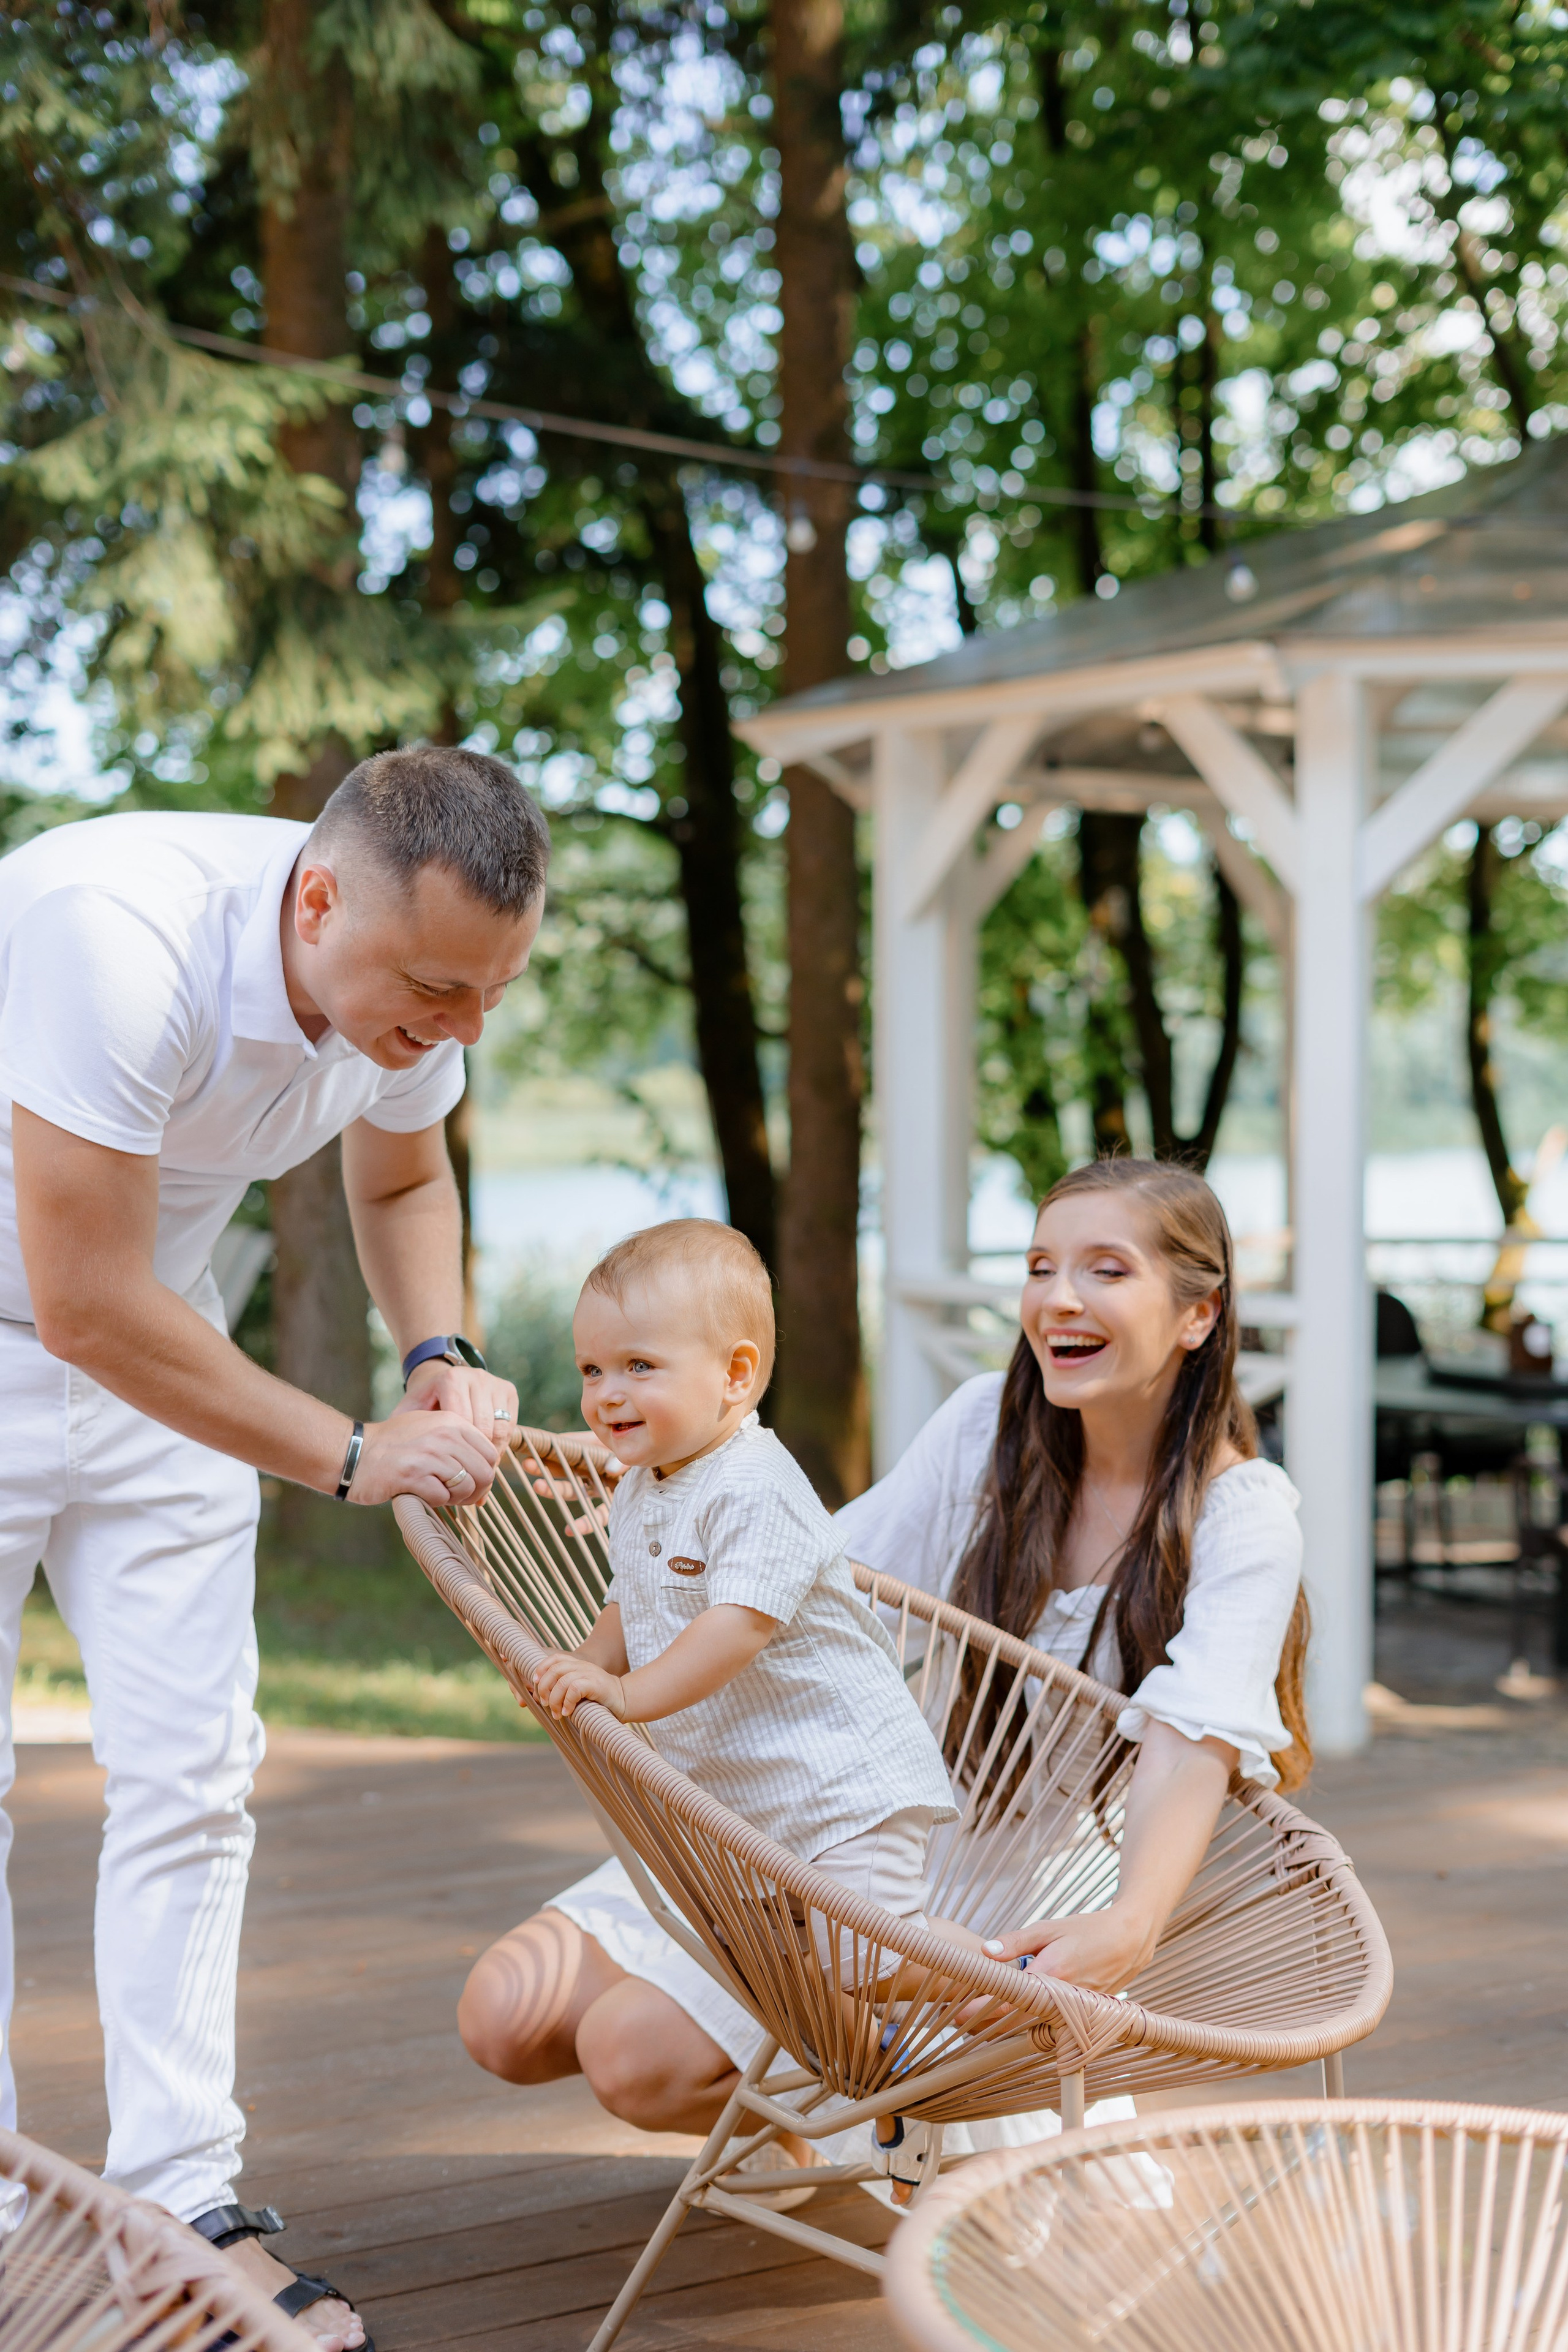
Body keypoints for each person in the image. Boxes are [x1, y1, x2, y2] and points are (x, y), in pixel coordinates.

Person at [0, 746, 548, 2350]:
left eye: (493, 995)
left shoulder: (415, 977)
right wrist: (355, 1453)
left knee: (194, 1773)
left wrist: (436, 1346)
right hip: (71, 1320)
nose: (461, 1032)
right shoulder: (116, 935)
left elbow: (406, 1172)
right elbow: (82, 1300)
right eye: (438, 994)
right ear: (315, 905)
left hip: (158, 1344)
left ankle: (182, 2201)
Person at [458, 1157, 1308, 2174]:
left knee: (632, 2056)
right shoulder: (986, 1427)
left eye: (1106, 1270)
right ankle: (837, 2127)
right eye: (1040, 1266)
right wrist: (673, 1469)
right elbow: (833, 1577)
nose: (1058, 1298)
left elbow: (1191, 1742)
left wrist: (1133, 1925)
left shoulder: (1245, 1515)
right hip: (830, 1806)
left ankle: (868, 2113)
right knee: (504, 2017)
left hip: (996, 1893)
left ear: (1199, 1315)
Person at [530, 1223, 958, 1968]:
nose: (607, 1394)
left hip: (843, 1783)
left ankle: (1032, 1989)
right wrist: (587, 1663)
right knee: (787, 1967)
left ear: (735, 1375)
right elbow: (631, 1598)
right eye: (591, 1370)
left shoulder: (754, 1484)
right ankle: (997, 1991)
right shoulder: (642, 1485)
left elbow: (736, 1627)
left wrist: (624, 1695)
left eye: (639, 1366)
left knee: (869, 1959)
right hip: (755, 1797)